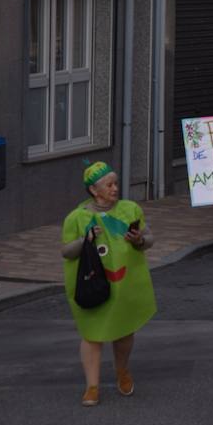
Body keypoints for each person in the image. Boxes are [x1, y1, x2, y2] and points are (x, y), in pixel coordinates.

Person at [60, 161, 157, 407]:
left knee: (124, 330)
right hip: (92, 286)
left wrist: (139, 239)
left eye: (115, 183)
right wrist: (85, 240)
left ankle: (122, 371)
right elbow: (67, 252)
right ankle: (92, 386)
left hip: (125, 285)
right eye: (109, 185)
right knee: (92, 334)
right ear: (94, 190)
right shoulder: (77, 218)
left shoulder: (130, 209)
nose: (115, 188)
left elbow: (149, 238)